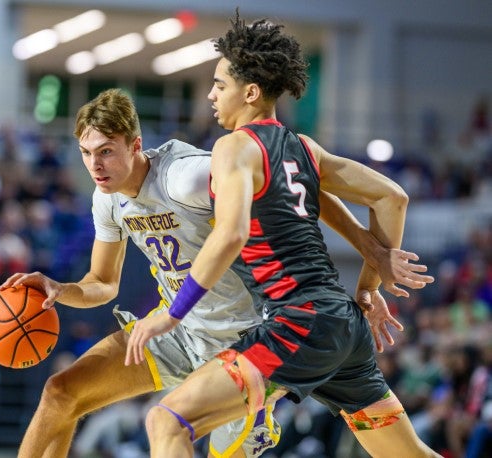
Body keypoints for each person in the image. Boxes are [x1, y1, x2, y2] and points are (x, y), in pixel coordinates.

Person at [1, 89, 432, 458]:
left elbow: (287, 181)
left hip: (247, 335)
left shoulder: (186, 176)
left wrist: (372, 250)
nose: (95, 165)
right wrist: (60, 289)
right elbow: (102, 284)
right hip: (179, 330)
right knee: (60, 393)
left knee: (179, 432)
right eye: (86, 153)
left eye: (106, 151)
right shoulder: (107, 199)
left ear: (135, 145)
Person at [125, 11, 442, 458]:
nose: (212, 95)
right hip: (343, 327)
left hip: (298, 323)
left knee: (167, 420)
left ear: (250, 93)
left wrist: (171, 314)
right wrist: (367, 291)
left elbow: (231, 234)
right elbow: (392, 199)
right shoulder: (305, 148)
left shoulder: (234, 146)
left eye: (219, 85)